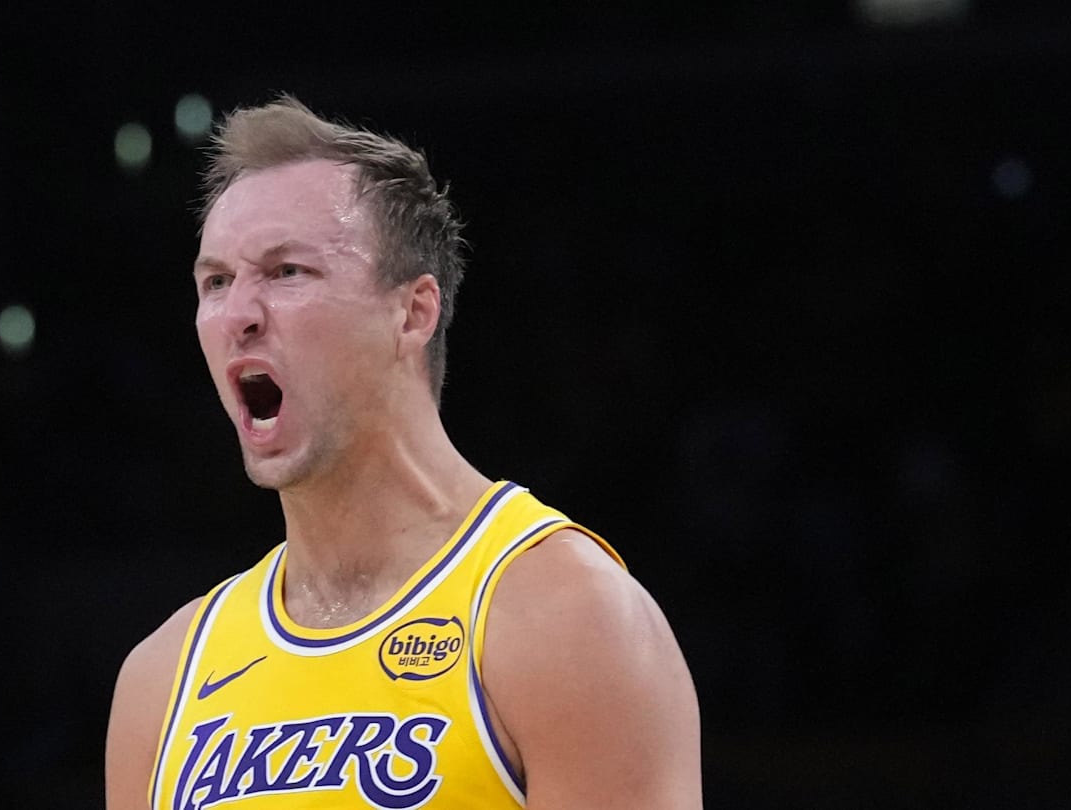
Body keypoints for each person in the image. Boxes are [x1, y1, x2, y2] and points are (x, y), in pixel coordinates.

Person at [106, 95, 701, 810]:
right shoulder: (163, 679)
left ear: (414, 312)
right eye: (217, 282)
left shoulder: (568, 618)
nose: (238, 315)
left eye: (287, 271)